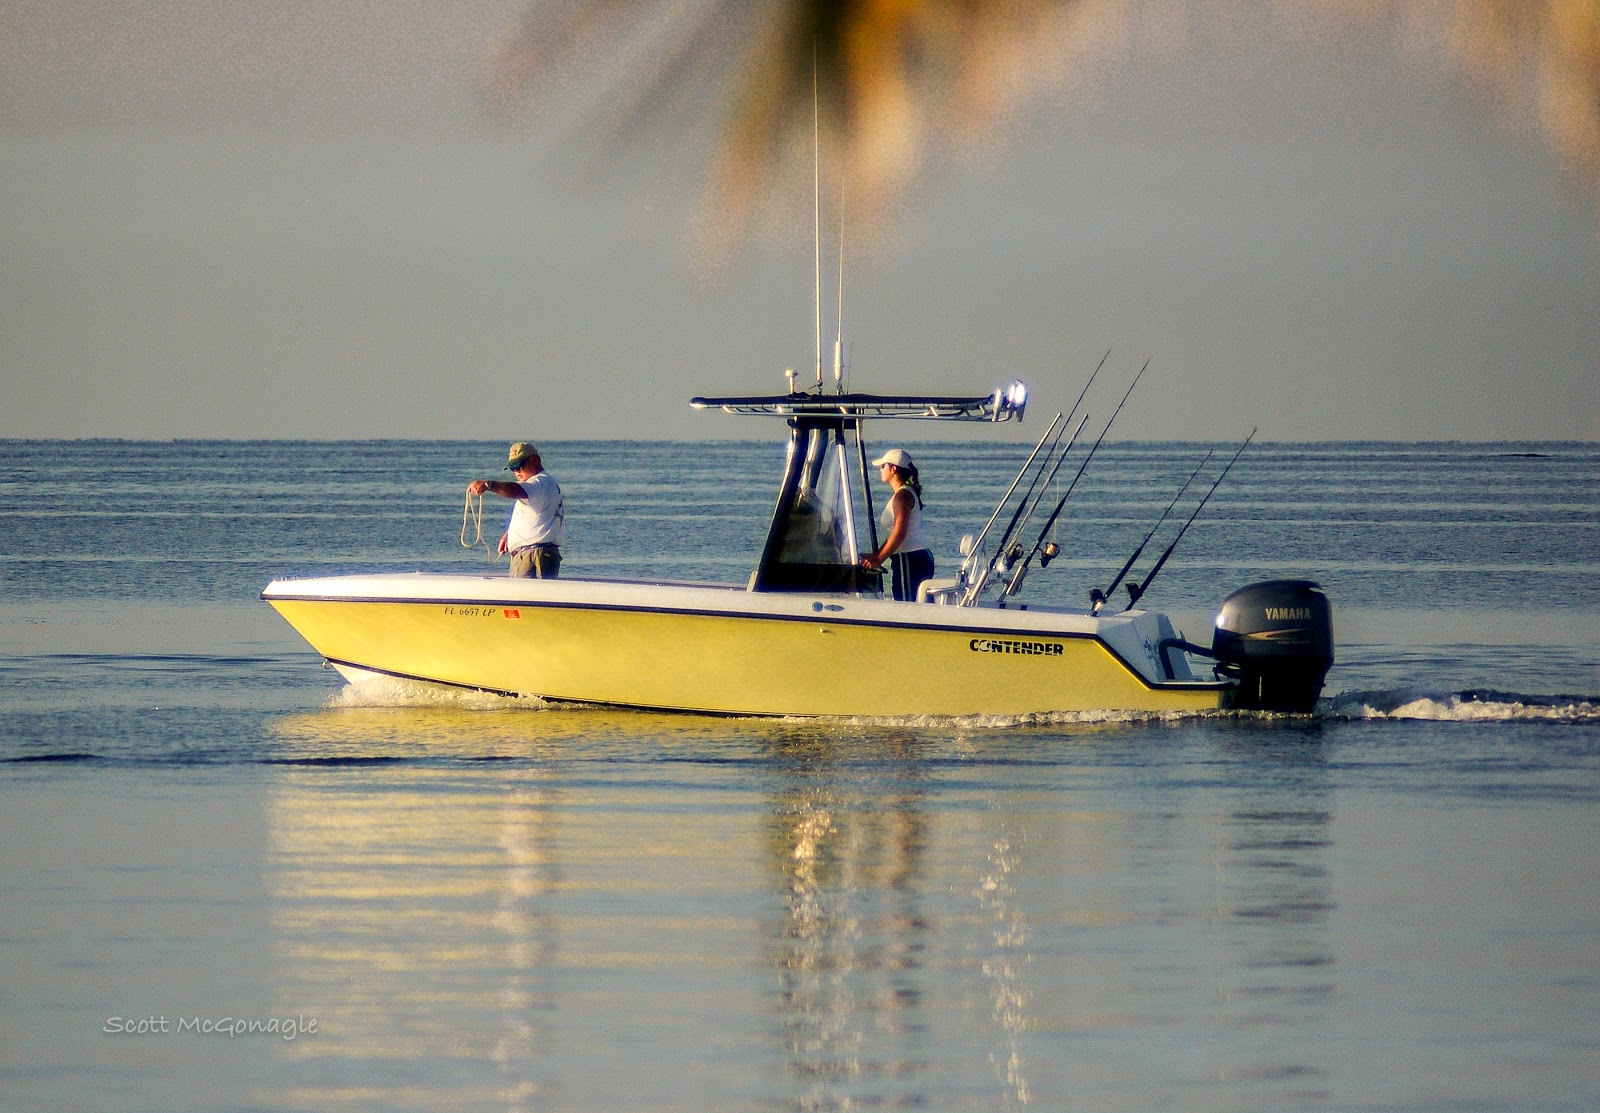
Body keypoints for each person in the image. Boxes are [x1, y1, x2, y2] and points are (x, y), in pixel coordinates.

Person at [467, 442, 564, 578]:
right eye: (513, 468)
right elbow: (536, 515)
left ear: (535, 461)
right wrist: (510, 534)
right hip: (535, 552)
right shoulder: (543, 484)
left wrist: (489, 485)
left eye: (520, 465)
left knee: (528, 597)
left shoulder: (539, 482)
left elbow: (516, 490)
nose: (517, 471)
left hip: (533, 555)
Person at [861, 448, 934, 601]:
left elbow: (900, 534)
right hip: (913, 557)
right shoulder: (904, 493)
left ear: (893, 469)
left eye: (883, 466)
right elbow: (894, 533)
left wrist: (879, 559)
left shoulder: (902, 496)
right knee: (913, 602)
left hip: (910, 559)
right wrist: (876, 555)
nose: (880, 470)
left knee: (908, 605)